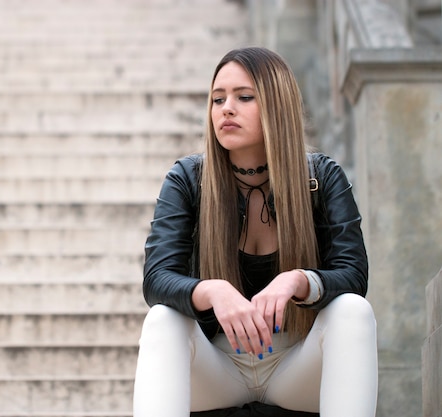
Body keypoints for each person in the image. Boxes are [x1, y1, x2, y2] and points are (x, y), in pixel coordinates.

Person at [133, 47, 378, 417]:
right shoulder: (188, 179)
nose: (226, 108)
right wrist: (211, 290)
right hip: (218, 367)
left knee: (353, 310)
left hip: (296, 366)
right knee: (162, 319)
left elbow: (353, 274)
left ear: (276, 105)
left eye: (244, 97)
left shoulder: (321, 177)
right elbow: (157, 279)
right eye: (218, 99)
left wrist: (298, 281)